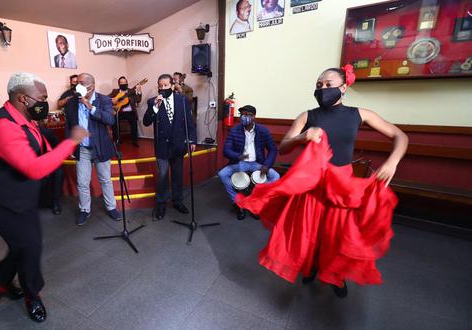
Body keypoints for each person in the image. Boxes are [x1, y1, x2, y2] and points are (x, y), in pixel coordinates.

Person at [236, 65, 408, 298]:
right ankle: (311, 267)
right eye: (319, 85)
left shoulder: (359, 114)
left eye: (328, 84)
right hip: (311, 186)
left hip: (342, 187)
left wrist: (392, 162)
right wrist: (302, 136)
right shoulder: (308, 116)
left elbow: (400, 136)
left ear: (343, 88)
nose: (323, 89)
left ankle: (335, 276)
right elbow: (284, 147)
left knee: (337, 235)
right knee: (309, 232)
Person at [0, 72, 87, 322]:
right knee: (30, 247)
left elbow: (40, 150)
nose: (45, 102)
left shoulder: (26, 120)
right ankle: (32, 294)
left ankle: (1, 281)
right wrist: (71, 143)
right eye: (42, 98)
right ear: (23, 98)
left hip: (21, 197)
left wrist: (59, 150)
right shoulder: (3, 126)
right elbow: (33, 168)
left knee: (22, 245)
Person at [65, 73, 122, 225]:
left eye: (82, 83)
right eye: (77, 83)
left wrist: (90, 107)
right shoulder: (71, 103)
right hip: (82, 149)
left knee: (105, 179)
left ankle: (111, 207)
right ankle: (85, 210)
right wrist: (69, 145)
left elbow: (110, 119)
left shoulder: (104, 100)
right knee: (82, 182)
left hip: (101, 147)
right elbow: (69, 126)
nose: (79, 86)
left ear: (92, 86)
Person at [143, 74, 197, 220]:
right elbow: (146, 122)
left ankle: (177, 200)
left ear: (172, 86)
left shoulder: (182, 100)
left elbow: (189, 122)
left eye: (165, 85)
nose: (162, 88)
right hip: (162, 146)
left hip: (178, 144)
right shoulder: (152, 102)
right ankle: (161, 203)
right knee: (162, 175)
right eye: (160, 86)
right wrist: (155, 107)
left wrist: (192, 140)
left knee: (178, 174)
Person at [218, 105, 280, 220]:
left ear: (254, 117)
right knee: (222, 174)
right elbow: (226, 150)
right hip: (240, 163)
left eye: (247, 115)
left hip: (257, 163)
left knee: (276, 176)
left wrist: (267, 165)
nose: (244, 117)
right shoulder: (235, 130)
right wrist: (238, 156)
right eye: (242, 114)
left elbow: (273, 149)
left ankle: (255, 201)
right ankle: (238, 202)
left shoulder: (263, 131)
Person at [108, 76, 142, 146]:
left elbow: (138, 100)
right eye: (121, 82)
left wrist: (139, 92)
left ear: (127, 83)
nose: (123, 84)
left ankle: (134, 141)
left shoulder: (131, 91)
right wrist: (114, 100)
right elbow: (107, 98)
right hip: (119, 111)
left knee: (134, 121)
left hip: (130, 112)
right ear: (119, 84)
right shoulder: (115, 91)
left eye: (125, 82)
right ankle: (117, 140)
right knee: (114, 121)